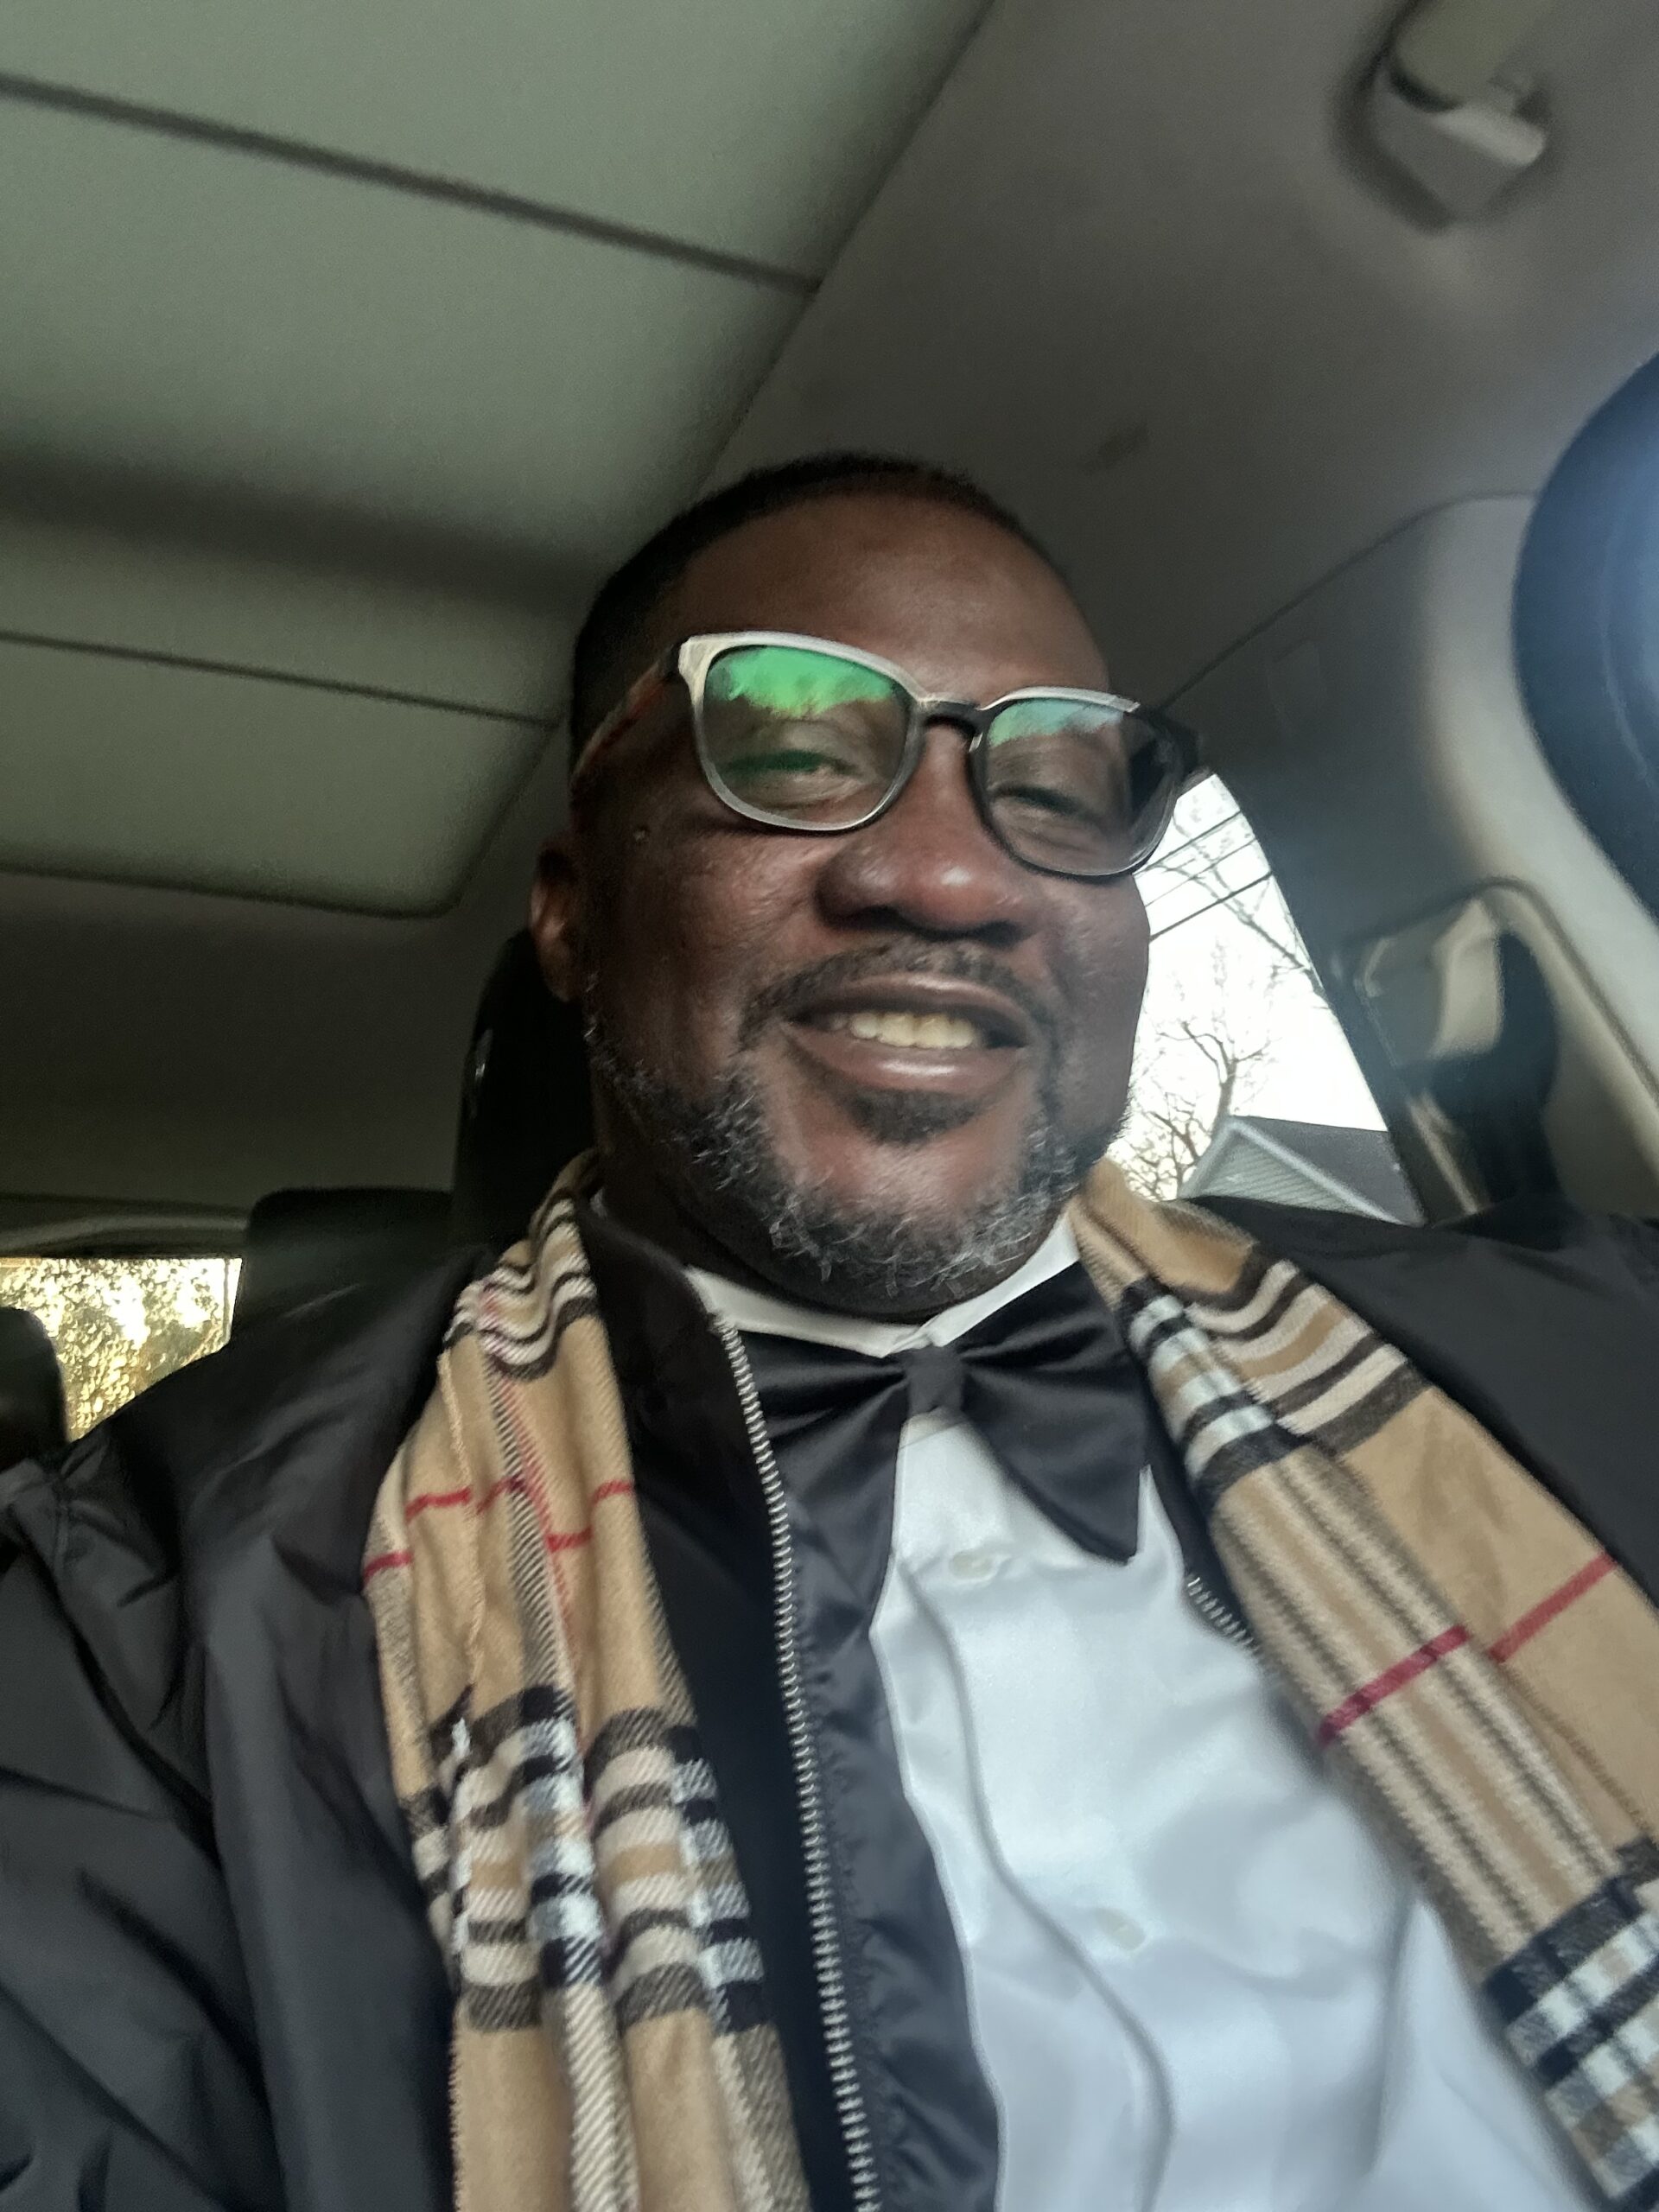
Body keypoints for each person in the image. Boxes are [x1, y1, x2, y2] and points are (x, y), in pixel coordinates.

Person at [3, 454, 1657, 2212]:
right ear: (573, 908)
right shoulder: (157, 1610)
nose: (946, 876)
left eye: (1058, 783)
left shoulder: (1577, 1342)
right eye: (791, 754)